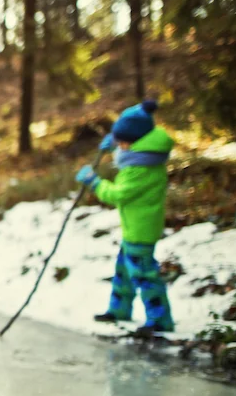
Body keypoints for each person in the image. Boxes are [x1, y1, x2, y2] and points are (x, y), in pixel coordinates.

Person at [75, 99, 176, 336]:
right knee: (124, 271)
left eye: (122, 143)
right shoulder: (143, 156)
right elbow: (129, 152)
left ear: (134, 142)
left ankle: (160, 319)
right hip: (133, 228)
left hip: (141, 230)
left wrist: (94, 183)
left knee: (143, 274)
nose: (120, 146)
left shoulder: (141, 169)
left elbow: (118, 195)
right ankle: (119, 309)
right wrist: (114, 145)